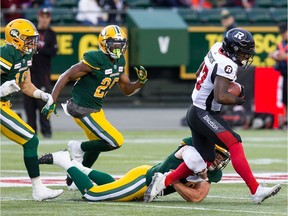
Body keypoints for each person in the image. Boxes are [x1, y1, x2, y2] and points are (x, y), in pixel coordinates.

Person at [144, 28, 281, 204]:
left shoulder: (217, 48)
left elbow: (197, 73)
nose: (245, 57)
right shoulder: (227, 64)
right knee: (235, 142)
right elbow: (220, 96)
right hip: (203, 112)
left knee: (206, 158)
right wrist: (240, 100)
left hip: (196, 110)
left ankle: (163, 181)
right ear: (233, 50)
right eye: (243, 53)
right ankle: (255, 190)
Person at [41, 24, 148, 188]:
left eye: (121, 44)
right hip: (81, 108)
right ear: (104, 43)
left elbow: (127, 89)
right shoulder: (96, 58)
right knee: (115, 141)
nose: (118, 48)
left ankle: (74, 179)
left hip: (96, 109)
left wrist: (139, 83)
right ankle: (77, 147)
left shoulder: (119, 61)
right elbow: (66, 75)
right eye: (114, 44)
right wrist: (52, 100)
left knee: (98, 145)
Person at [39, 137, 230, 202]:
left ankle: (80, 167)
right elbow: (193, 194)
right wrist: (174, 179)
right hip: (143, 180)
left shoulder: (211, 171)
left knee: (114, 186)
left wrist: (174, 180)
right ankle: (64, 160)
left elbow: (197, 197)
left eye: (223, 158)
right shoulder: (191, 151)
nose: (219, 161)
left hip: (144, 176)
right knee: (93, 195)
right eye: (219, 155)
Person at [0, 18, 63, 201]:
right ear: (15, 38)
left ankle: (38, 189)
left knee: (30, 139)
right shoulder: (7, 52)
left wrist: (43, 96)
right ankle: (38, 189)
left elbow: (26, 85)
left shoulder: (25, 55)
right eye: (28, 39)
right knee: (30, 139)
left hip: (4, 106)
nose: (32, 43)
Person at [23, 8, 57, 139]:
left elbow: (53, 51)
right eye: (42, 16)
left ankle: (47, 132)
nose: (44, 19)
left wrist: (37, 48)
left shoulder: (51, 34)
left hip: (43, 76)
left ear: (49, 19)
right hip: (28, 74)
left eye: (46, 17)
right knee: (29, 108)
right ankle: (31, 134)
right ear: (38, 17)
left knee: (43, 105)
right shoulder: (31, 33)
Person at [269, 22, 287, 129]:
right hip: (285, 74)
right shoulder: (281, 44)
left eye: (284, 32)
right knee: (285, 99)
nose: (283, 35)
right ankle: (286, 121)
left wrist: (285, 56)